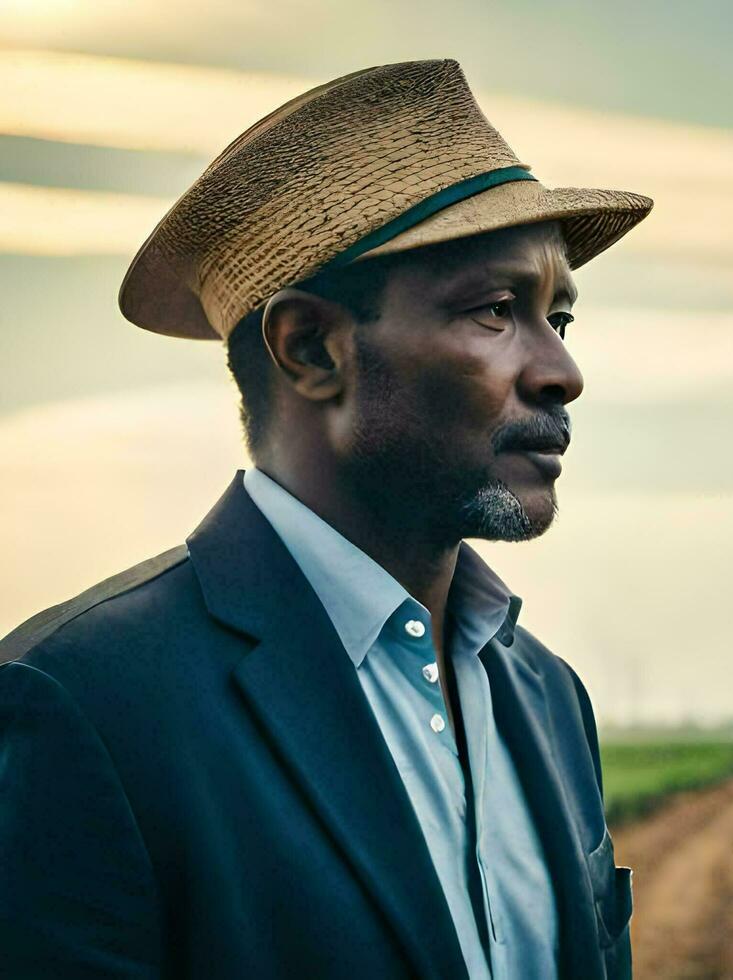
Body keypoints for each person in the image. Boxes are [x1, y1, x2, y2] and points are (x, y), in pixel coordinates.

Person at [0, 59, 652, 980]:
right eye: (498, 311)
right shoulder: (79, 701)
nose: (560, 371)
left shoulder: (547, 695)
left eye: (562, 320)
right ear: (310, 348)